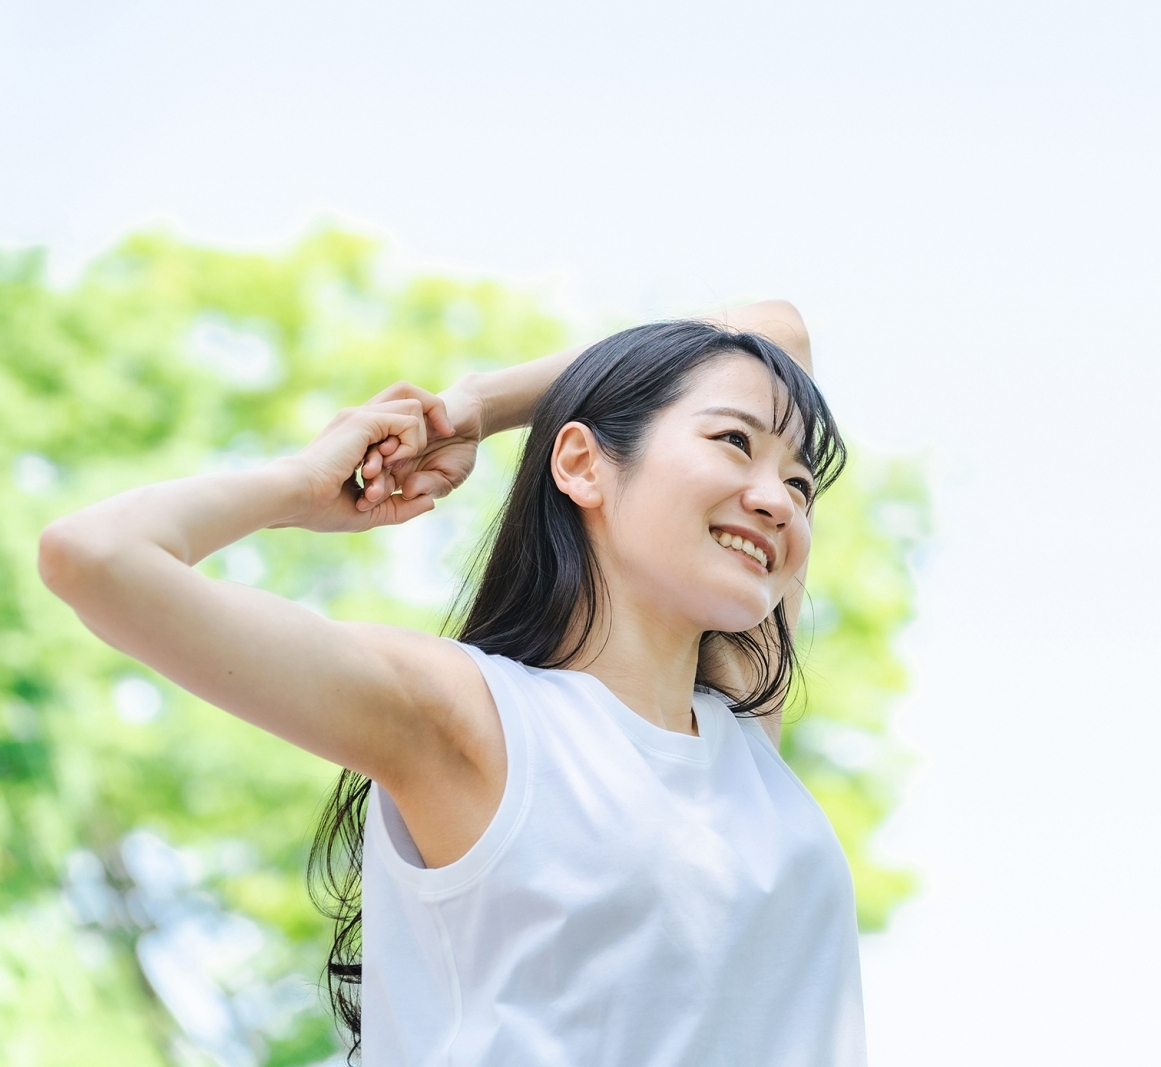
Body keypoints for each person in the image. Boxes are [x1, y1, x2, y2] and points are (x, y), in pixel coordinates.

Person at [37, 302, 864, 1066]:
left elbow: (776, 332)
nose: (779, 500)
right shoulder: (471, 716)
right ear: (580, 462)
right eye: (733, 442)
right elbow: (96, 555)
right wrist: (300, 486)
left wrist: (480, 402)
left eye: (800, 482)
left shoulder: (740, 722)